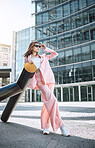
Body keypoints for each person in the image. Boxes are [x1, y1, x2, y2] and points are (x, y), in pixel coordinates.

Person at [24, 41, 70, 137]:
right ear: (31, 47)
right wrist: (30, 64)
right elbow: (27, 70)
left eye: (38, 46)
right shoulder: (27, 58)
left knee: (47, 103)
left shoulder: (44, 57)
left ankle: (46, 127)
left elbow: (55, 54)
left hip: (50, 80)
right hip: (40, 82)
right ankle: (61, 125)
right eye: (36, 46)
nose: (38, 47)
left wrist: (45, 48)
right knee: (53, 101)